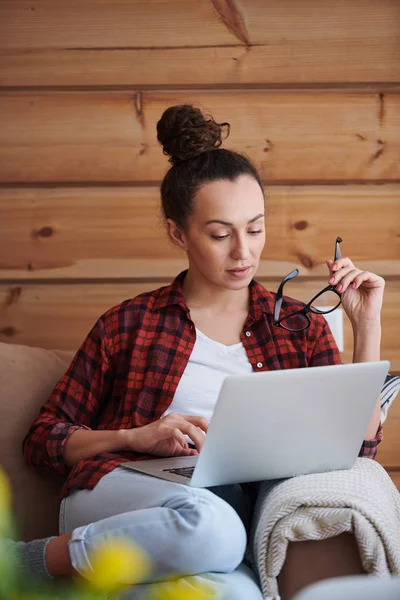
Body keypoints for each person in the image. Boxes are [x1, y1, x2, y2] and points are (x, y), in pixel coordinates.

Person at [10, 105, 385, 598]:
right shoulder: (130, 323)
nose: (243, 252)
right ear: (177, 233)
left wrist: (366, 324)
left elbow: (355, 447)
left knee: (238, 592)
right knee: (217, 528)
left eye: (254, 229)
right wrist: (137, 436)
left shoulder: (300, 327)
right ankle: (26, 564)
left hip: (223, 520)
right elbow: (43, 440)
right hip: (126, 492)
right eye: (220, 234)